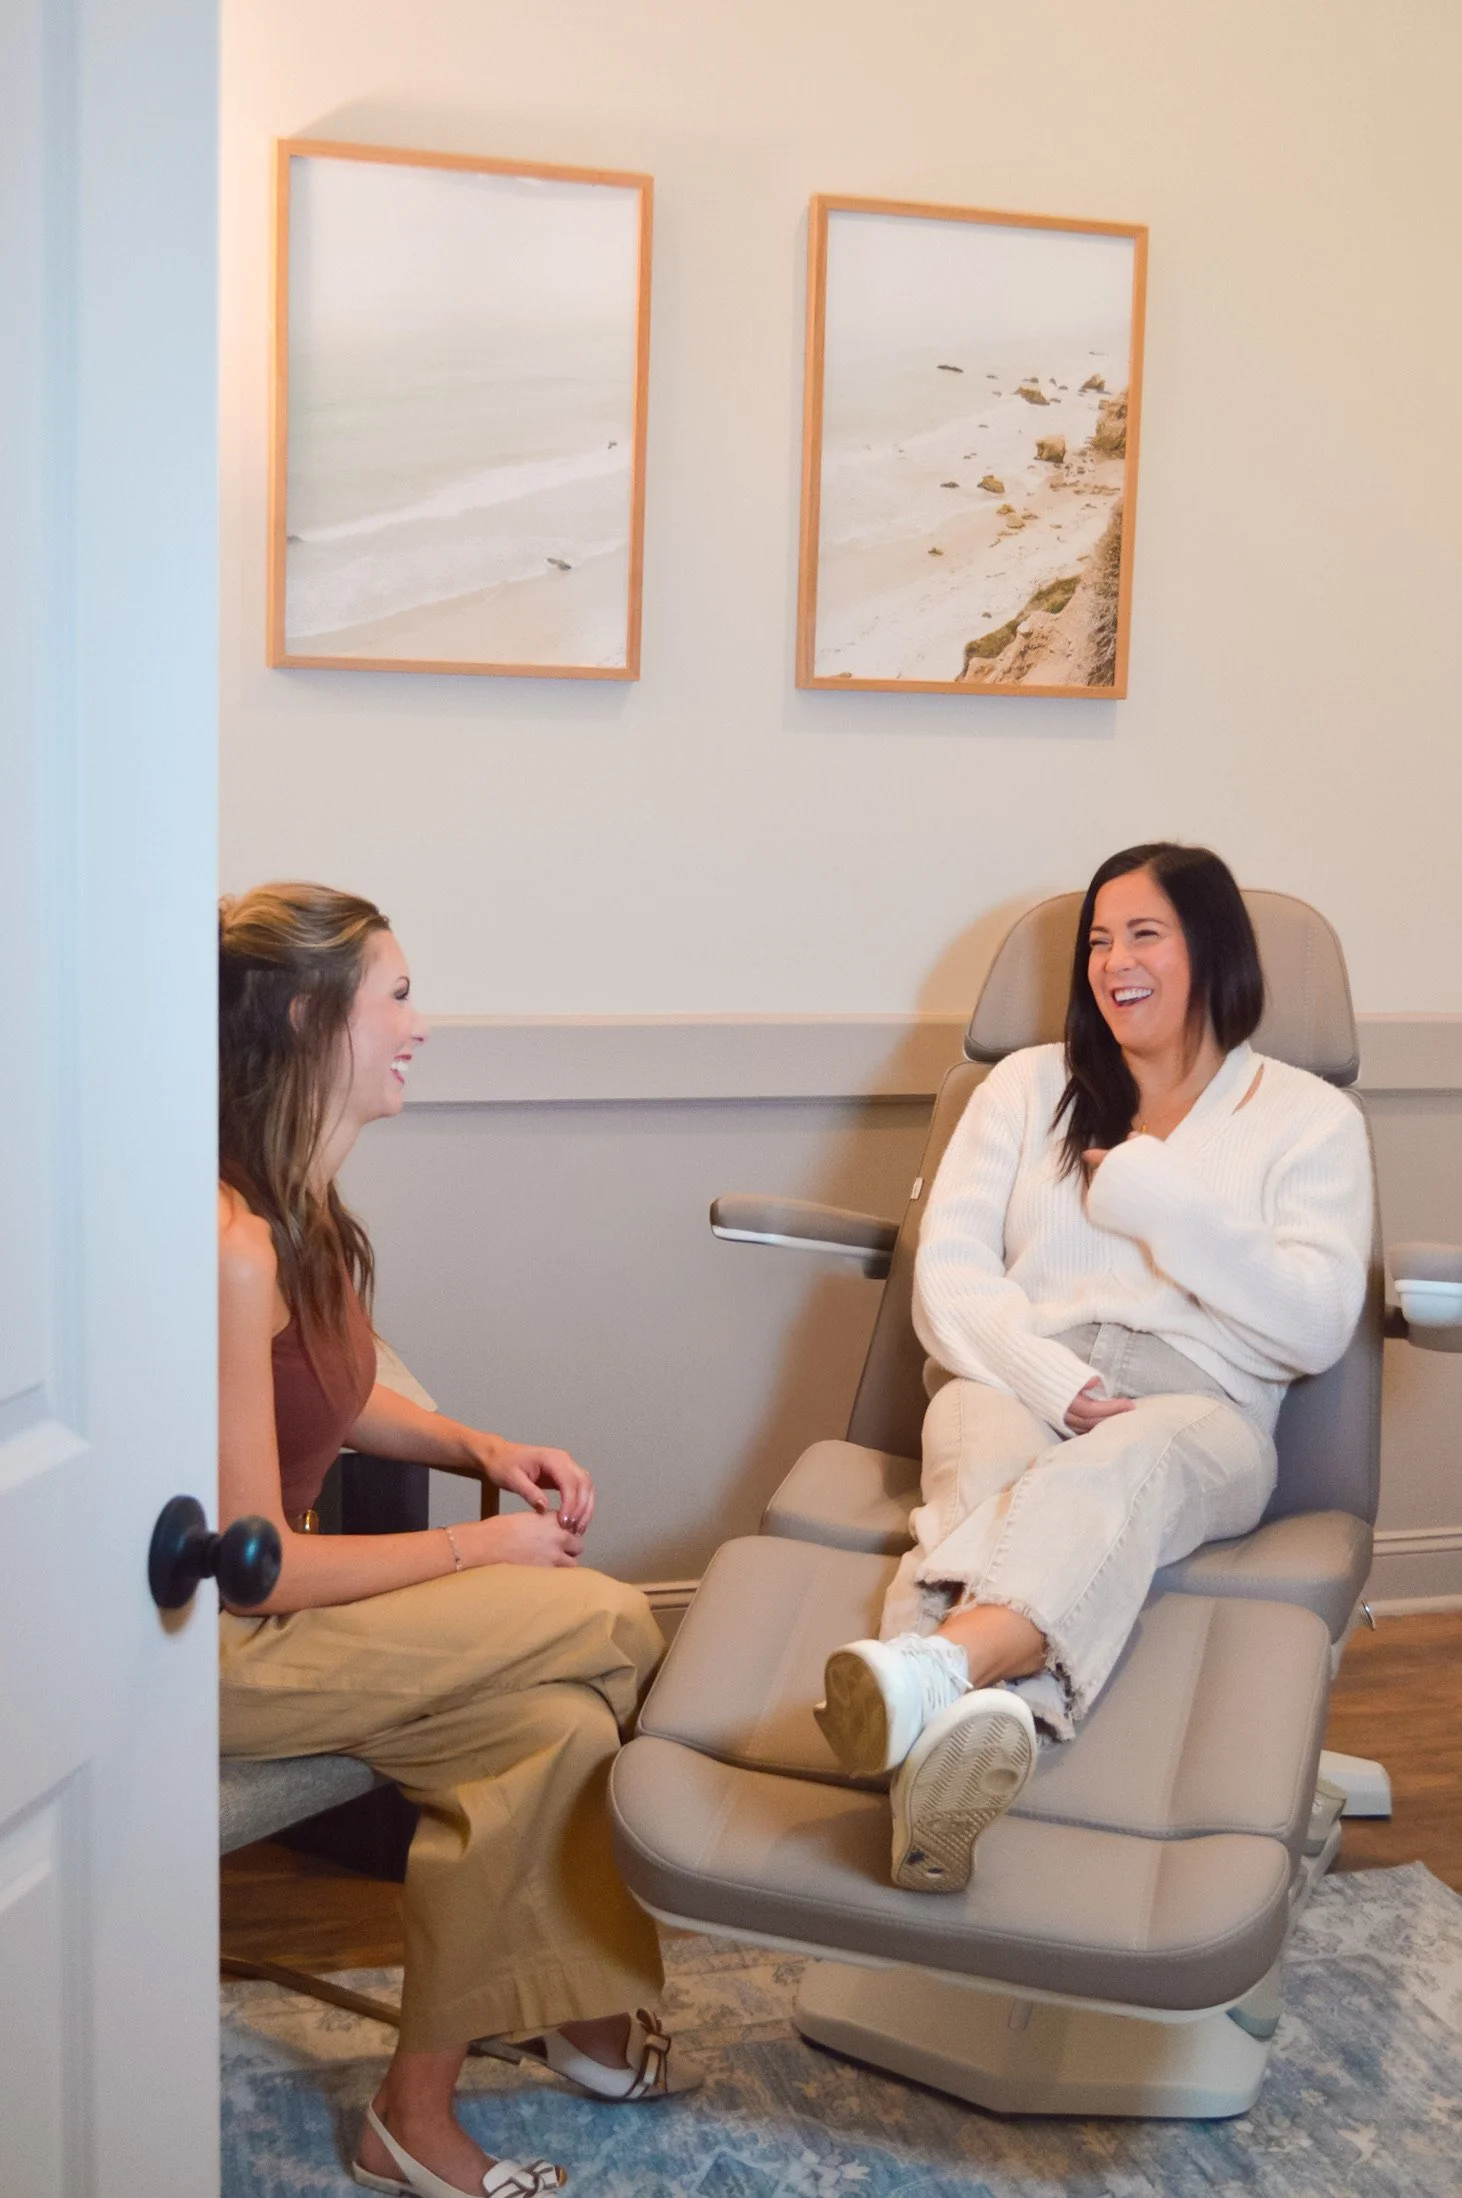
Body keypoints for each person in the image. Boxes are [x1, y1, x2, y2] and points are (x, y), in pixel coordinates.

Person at [217, 883, 696, 2198]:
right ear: (314, 1017)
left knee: (554, 1733)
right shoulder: (230, 1241)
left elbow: (323, 1392)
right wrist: (478, 1551)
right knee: (609, 1622)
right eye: (399, 994)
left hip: (306, 1624)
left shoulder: (300, 1207)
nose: (422, 1023)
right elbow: (254, 1562)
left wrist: (480, 1448)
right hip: (220, 1651)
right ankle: (578, 2005)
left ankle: (407, 2119)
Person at [814, 844, 1373, 1896]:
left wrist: (1158, 1199)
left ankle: (927, 1673)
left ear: (1212, 950)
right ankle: (958, 1744)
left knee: (1120, 1462)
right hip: (1013, 1372)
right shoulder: (1024, 1088)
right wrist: (1048, 1380)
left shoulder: (1309, 1121)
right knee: (980, 1459)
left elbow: (1310, 1323)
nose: (1113, 959)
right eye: (1098, 940)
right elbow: (948, 1275)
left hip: (1194, 1410)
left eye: (1144, 932)